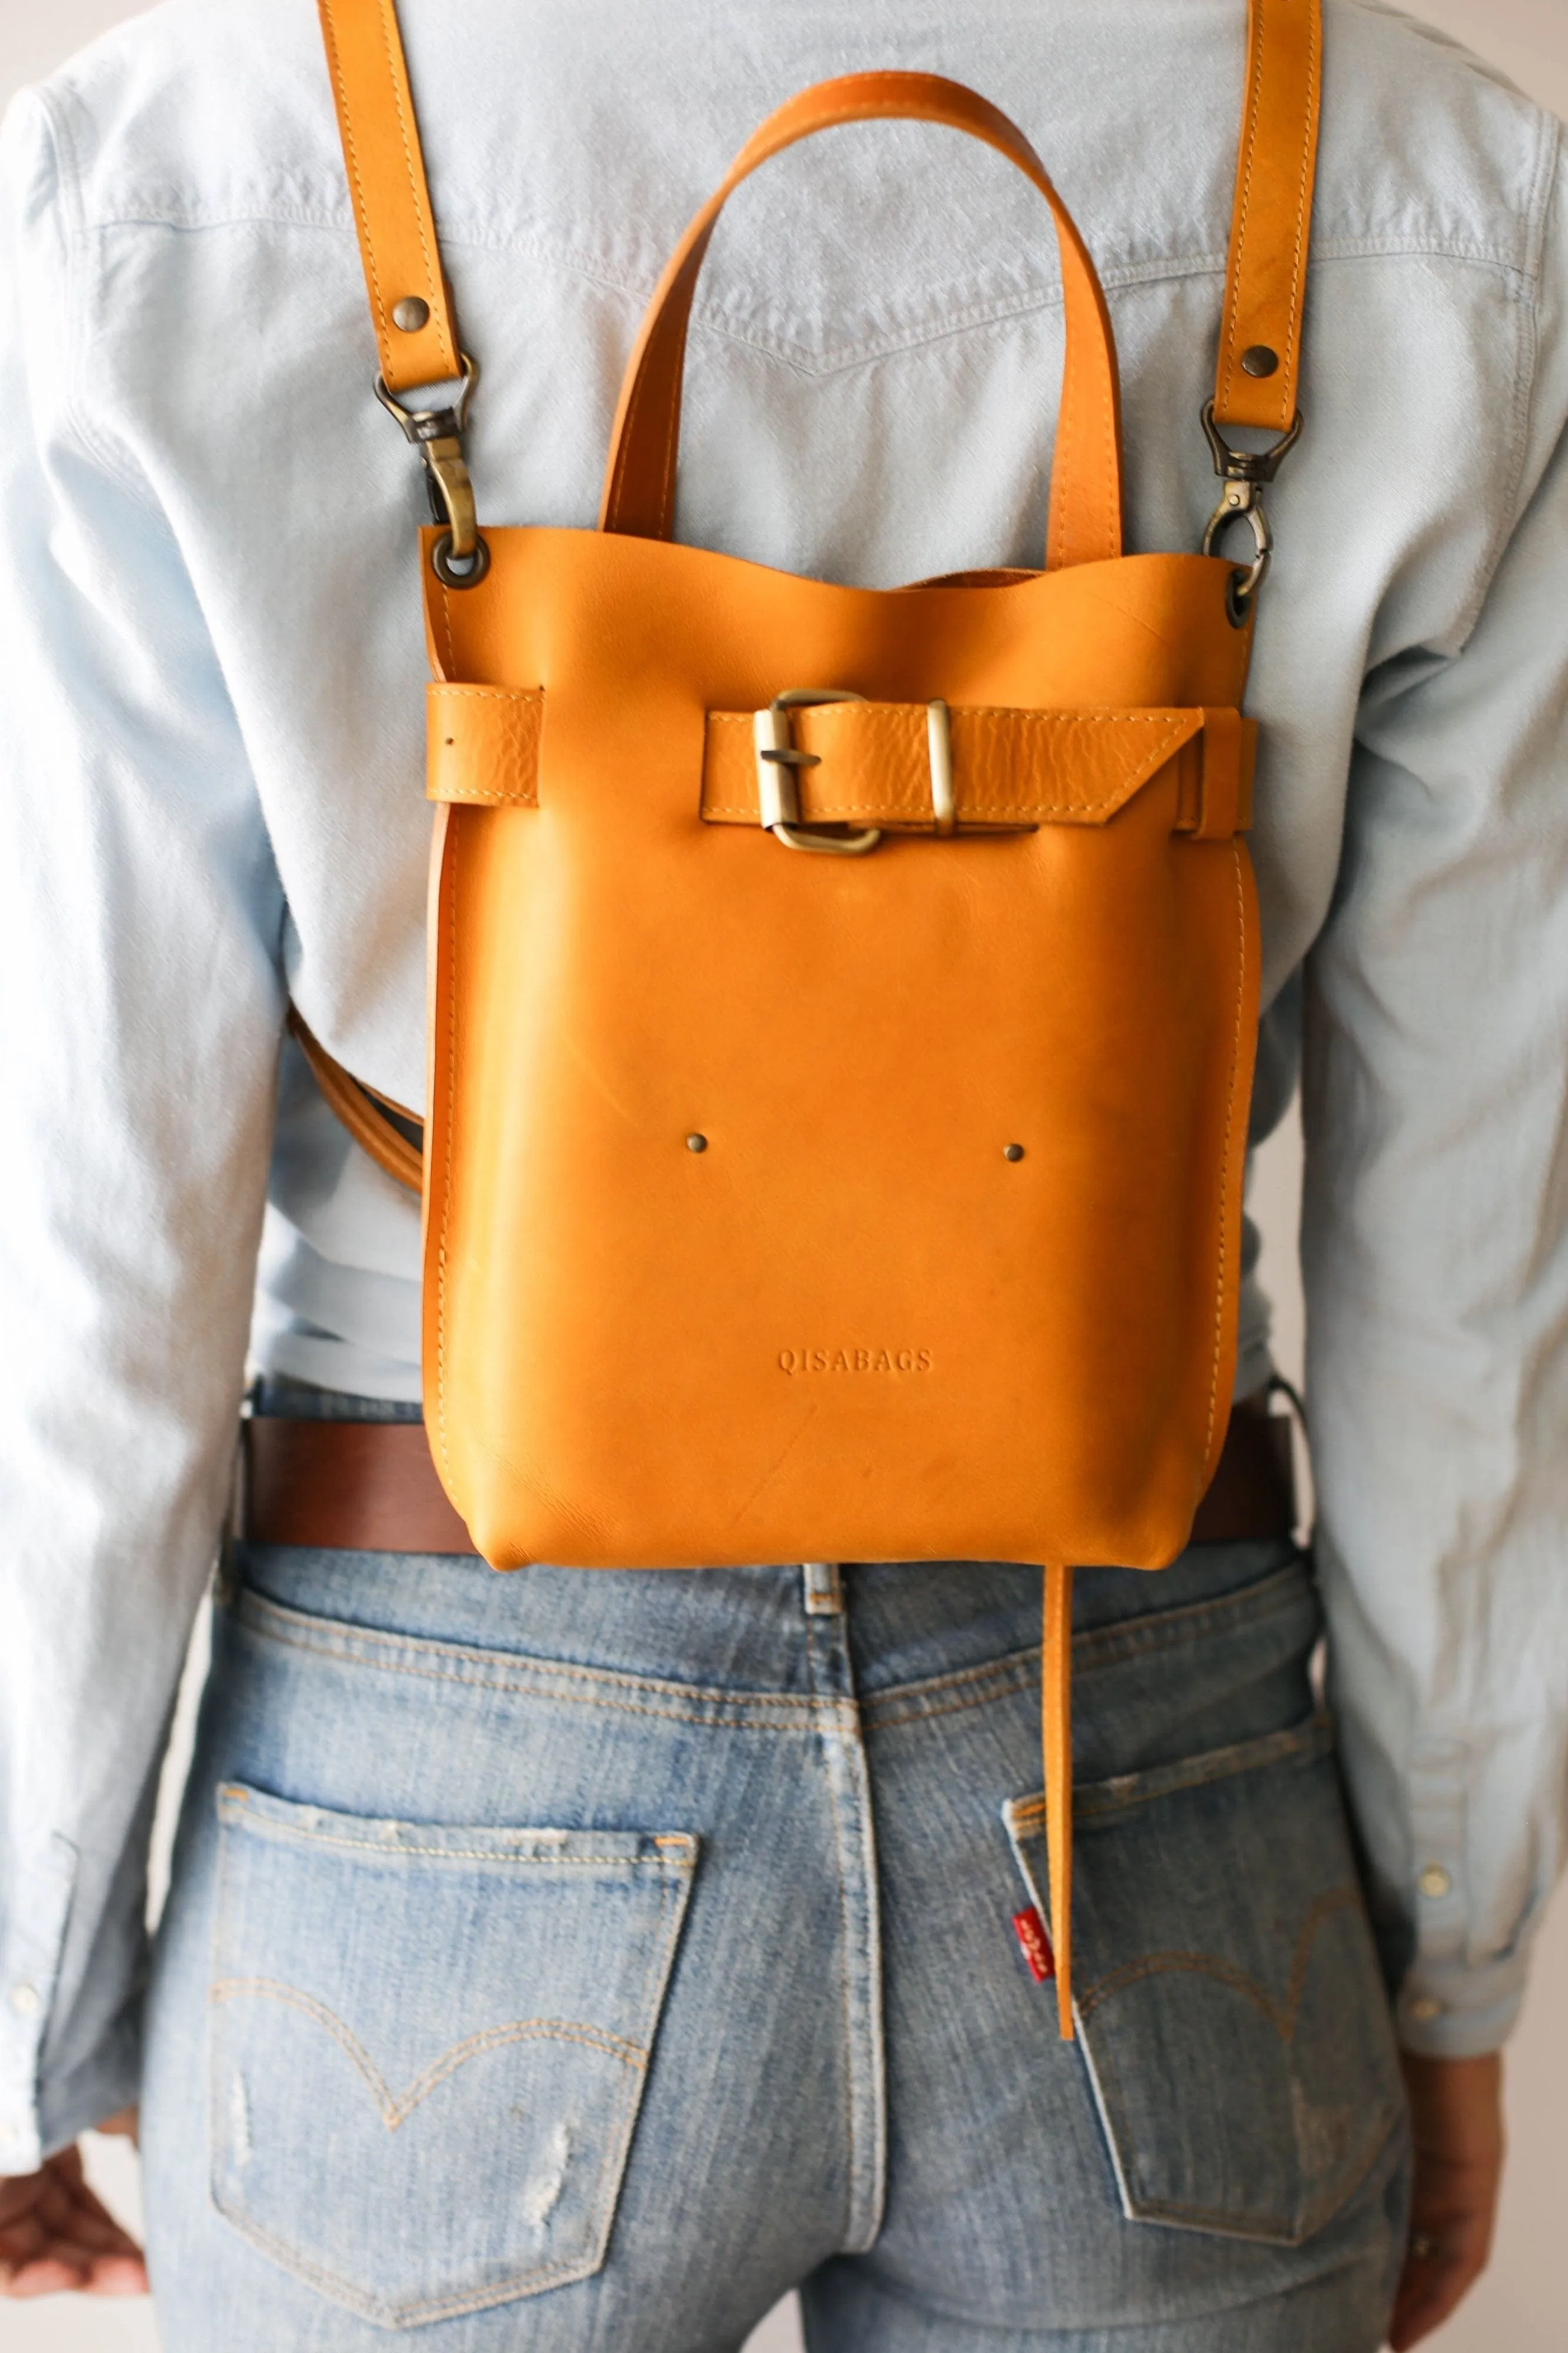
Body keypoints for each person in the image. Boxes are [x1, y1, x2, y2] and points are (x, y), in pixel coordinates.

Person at [0, 0, 1560, 2345]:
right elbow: (1476, 1244)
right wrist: (1453, 1946)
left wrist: (25, 2005)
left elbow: (90, 1243)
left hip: (434, 1754)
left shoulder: (187, 164)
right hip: (1140, 1752)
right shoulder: (1427, 179)